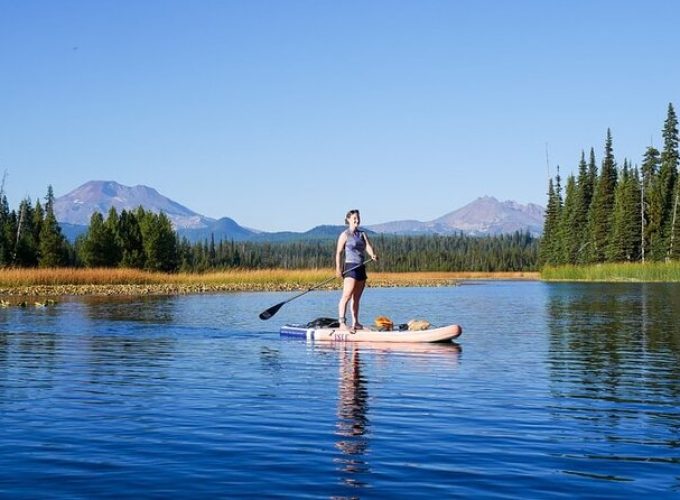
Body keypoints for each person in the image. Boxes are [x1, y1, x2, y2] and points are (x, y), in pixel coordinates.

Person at [336, 209, 377, 331]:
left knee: (356, 298)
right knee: (347, 295)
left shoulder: (363, 234)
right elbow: (338, 253)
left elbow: (368, 247)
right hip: (350, 267)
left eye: (358, 218)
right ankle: (342, 322)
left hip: (360, 267)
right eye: (354, 218)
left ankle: (356, 323)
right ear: (348, 219)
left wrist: (372, 255)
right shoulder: (344, 235)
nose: (357, 220)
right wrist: (338, 268)